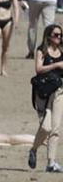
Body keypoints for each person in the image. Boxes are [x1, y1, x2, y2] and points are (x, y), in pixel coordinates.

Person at [30, 23, 63, 172]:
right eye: (56, 35)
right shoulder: (42, 50)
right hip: (43, 93)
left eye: (60, 35)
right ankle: (34, 149)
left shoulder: (62, 50)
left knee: (55, 129)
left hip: (59, 92)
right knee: (46, 127)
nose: (59, 37)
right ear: (49, 36)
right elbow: (38, 69)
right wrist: (56, 65)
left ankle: (51, 163)